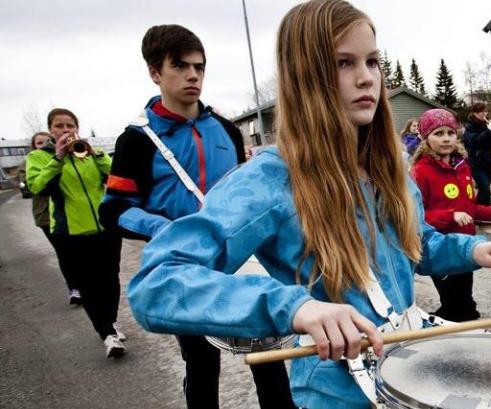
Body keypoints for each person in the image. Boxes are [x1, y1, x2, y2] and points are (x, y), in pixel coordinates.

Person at [126, 2, 491, 407]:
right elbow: (156, 284)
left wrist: (472, 248)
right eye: (343, 63)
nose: (367, 78)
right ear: (305, 76)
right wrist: (296, 307)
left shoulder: (389, 167)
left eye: (372, 62)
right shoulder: (269, 180)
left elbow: (415, 247)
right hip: (334, 393)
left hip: (407, 372)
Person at [97, 24, 294, 409]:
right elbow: (114, 210)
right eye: (181, 67)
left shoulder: (225, 129)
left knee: (268, 354)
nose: (193, 76)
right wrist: (165, 228)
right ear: (155, 72)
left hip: (241, 261)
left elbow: (252, 195)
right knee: (202, 363)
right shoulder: (135, 140)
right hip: (186, 266)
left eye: (199, 67)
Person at [26, 108, 125, 358]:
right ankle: (107, 334)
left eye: (70, 125)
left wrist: (96, 154)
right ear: (51, 130)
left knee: (110, 279)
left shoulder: (87, 153)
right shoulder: (39, 157)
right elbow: (38, 186)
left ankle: (110, 323)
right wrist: (57, 158)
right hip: (69, 233)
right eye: (59, 126)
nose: (66, 130)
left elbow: (115, 177)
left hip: (105, 229)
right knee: (89, 285)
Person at [410, 108, 491, 322]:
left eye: (451, 133)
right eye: (438, 134)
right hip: (441, 249)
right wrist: (450, 215)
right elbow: (416, 218)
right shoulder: (420, 171)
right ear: (425, 138)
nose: (446, 138)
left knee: (461, 302)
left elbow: (470, 208)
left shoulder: (462, 167)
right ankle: (447, 332)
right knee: (460, 305)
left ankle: (444, 325)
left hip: (466, 246)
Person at [21, 131, 79, 305]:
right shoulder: (31, 162)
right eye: (38, 143)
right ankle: (74, 287)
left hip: (68, 212)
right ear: (34, 146)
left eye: (45, 141)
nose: (43, 144)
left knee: (77, 251)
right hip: (45, 215)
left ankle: (84, 283)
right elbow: (30, 187)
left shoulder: (68, 156)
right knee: (64, 253)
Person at [462, 101, 491, 205]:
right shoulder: (469, 127)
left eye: (485, 111)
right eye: (481, 112)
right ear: (475, 113)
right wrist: (488, 131)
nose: (484, 114)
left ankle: (483, 210)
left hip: (488, 161)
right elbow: (474, 142)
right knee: (485, 188)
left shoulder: (486, 125)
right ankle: (485, 209)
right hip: (476, 163)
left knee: (485, 189)